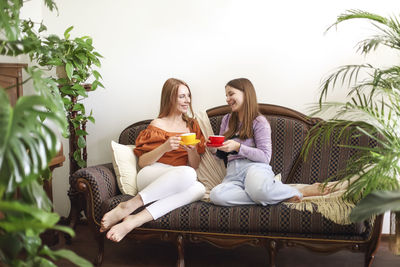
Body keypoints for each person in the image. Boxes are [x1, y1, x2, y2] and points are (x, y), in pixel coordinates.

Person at [100, 78, 206, 242]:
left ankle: (135, 220)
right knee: (189, 174)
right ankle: (130, 205)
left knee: (199, 188)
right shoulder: (157, 125)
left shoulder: (192, 126)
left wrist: (192, 152)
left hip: (179, 179)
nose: (187, 101)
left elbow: (195, 165)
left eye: (188, 96)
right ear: (170, 99)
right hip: (151, 175)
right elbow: (142, 162)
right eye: (182, 97)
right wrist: (165, 147)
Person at [209, 78, 329, 206]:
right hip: (233, 173)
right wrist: (214, 149)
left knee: (258, 189)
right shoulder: (226, 120)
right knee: (216, 196)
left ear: (246, 93)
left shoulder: (259, 122)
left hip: (254, 168)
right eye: (226, 95)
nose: (227, 99)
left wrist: (239, 147)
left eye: (231, 94)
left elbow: (265, 157)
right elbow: (222, 154)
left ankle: (299, 191)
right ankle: (278, 194)